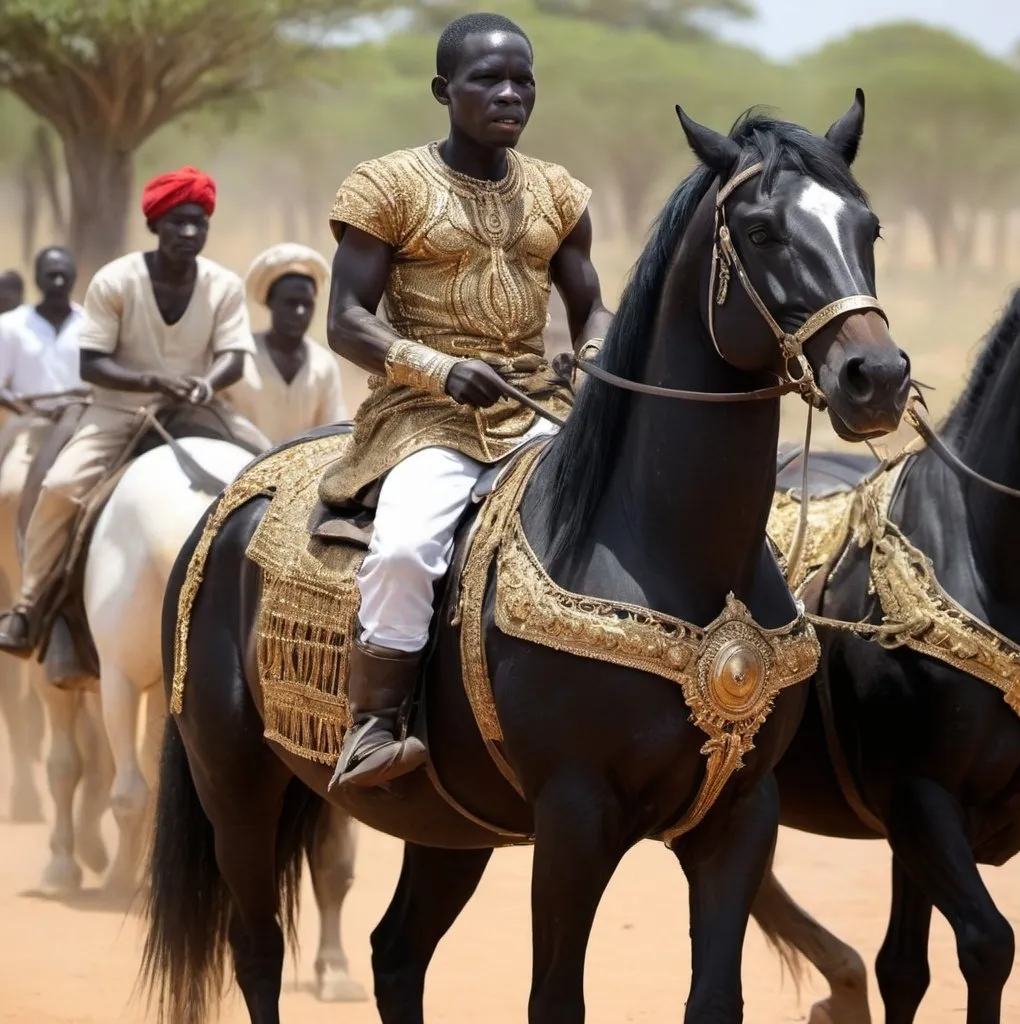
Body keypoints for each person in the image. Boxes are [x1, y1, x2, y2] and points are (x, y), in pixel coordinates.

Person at [324, 12, 612, 790]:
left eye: (523, 80)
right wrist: (438, 369)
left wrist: (594, 362)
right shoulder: (386, 186)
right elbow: (345, 321)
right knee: (406, 549)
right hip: (423, 418)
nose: (510, 94)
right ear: (443, 90)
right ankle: (375, 726)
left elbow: (591, 306)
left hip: (537, 409)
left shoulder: (558, 192)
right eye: (489, 79)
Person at [0, 166, 270, 657]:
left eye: (198, 223)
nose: (189, 233)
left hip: (199, 407)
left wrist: (206, 384)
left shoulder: (222, 284)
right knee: (60, 487)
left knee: (275, 468)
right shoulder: (116, 279)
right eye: (177, 223)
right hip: (118, 411)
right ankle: (29, 604)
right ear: (155, 226)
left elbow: (233, 355)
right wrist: (149, 380)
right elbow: (93, 362)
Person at [225, 242, 347, 444]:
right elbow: (221, 421)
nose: (300, 312)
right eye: (291, 303)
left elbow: (333, 428)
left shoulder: (323, 363)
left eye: (306, 304)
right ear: (270, 302)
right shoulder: (240, 357)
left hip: (304, 471)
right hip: (241, 468)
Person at [0, 247, 85, 517]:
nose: (58, 282)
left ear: (74, 278)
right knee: (9, 491)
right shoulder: (10, 325)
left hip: (81, 423)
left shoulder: (92, 324)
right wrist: (29, 410)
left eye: (64, 275)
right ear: (37, 279)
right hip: (27, 424)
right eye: (51, 275)